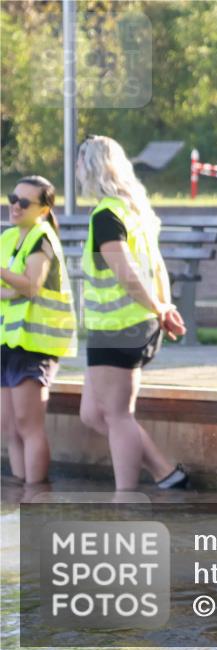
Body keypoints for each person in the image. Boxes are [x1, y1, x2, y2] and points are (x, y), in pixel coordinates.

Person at [75, 135, 189, 491]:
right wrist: (164, 307)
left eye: (79, 163)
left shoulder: (107, 215)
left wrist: (159, 308)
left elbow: (127, 273)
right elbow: (156, 267)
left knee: (118, 416)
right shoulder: (131, 210)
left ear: (91, 167)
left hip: (120, 327)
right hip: (120, 326)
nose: (76, 171)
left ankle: (124, 499)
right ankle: (166, 473)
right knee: (92, 414)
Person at [1, 176, 76, 486]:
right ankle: (19, 494)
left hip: (35, 343)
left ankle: (35, 497)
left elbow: (31, 286)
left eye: (24, 203)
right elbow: (10, 291)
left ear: (44, 210)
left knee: (27, 424)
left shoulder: (42, 238)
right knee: (7, 427)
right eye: (12, 198)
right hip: (8, 340)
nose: (15, 206)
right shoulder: (8, 237)